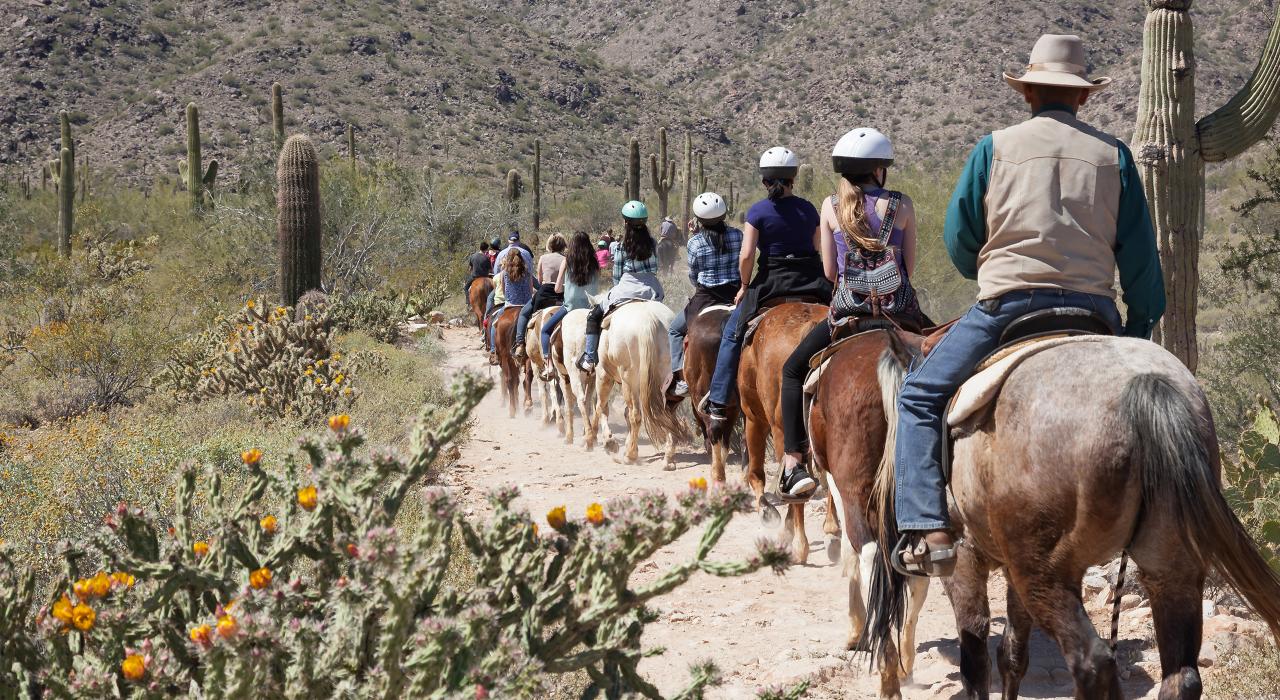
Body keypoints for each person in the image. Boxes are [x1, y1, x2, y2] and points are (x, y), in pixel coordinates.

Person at [891, 34, 1165, 577]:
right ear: (1083, 97)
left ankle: (930, 529)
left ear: (1027, 94)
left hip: (1008, 309)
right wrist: (1138, 329)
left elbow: (959, 236)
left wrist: (986, 270)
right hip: (1093, 311)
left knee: (919, 397)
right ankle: (1155, 532)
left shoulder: (993, 148)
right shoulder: (1116, 156)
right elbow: (1140, 256)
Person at [777, 128, 927, 497]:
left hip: (849, 315)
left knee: (793, 370)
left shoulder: (830, 206)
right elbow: (909, 266)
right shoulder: (902, 204)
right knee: (947, 356)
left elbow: (830, 272)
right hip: (900, 313)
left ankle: (793, 460)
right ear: (880, 169)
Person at [702, 148, 834, 498]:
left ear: (764, 179)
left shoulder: (758, 211)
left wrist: (745, 286)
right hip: (810, 279)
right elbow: (819, 247)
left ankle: (718, 403)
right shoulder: (808, 208)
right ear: (793, 178)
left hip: (772, 281)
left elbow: (747, 255)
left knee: (732, 332)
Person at [667, 192, 743, 399]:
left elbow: (693, 275)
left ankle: (680, 380)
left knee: (674, 330)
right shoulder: (738, 235)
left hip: (706, 297)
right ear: (724, 214)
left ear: (699, 219)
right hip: (736, 294)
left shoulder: (695, 242)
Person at [577, 201, 664, 371]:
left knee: (594, 315)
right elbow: (656, 267)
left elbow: (617, 276)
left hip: (626, 286)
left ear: (625, 222)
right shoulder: (653, 243)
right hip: (652, 288)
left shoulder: (620, 246)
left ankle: (589, 357)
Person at [538, 231, 600, 379]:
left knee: (545, 330)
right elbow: (596, 286)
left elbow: (557, 288)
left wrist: (569, 288)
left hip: (570, 307)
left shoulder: (567, 260)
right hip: (590, 308)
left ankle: (549, 365)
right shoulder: (595, 262)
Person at [514, 233, 567, 360]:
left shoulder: (543, 258)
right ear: (563, 245)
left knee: (523, 313)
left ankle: (520, 343)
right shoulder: (566, 258)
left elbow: (540, 278)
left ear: (549, 244)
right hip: (561, 294)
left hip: (544, 293)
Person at [484, 233, 536, 347]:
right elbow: (531, 289)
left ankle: (493, 348)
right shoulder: (527, 268)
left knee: (494, 322)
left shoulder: (504, 269)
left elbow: (502, 288)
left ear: (508, 241)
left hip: (510, 304)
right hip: (526, 304)